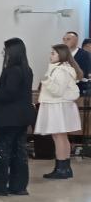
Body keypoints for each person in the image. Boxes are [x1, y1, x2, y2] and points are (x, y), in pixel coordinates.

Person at [0, 38, 35, 197]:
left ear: (12, 52)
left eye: (5, 50)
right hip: (21, 117)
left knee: (1, 152)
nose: (3, 53)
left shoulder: (12, 71)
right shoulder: (27, 69)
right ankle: (18, 186)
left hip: (9, 117)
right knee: (19, 152)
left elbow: (8, 94)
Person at [35, 43, 81, 180]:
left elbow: (57, 91)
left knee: (59, 137)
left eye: (53, 53)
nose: (50, 55)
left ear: (61, 55)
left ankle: (61, 168)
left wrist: (45, 81)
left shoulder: (61, 70)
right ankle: (65, 168)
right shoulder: (61, 68)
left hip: (57, 106)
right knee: (61, 137)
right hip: (59, 106)